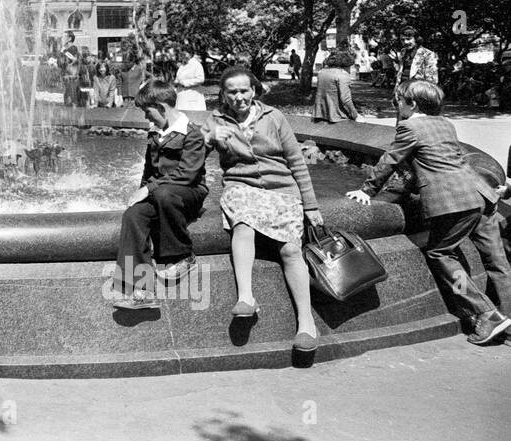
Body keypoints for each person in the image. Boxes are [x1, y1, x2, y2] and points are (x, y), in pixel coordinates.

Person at [347, 80, 510, 344]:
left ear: (411, 104)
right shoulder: (446, 123)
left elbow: (391, 160)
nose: (396, 106)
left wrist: (367, 190)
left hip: (455, 201)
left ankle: (486, 313)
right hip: (481, 194)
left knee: (440, 253)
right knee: (498, 262)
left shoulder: (410, 126)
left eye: (398, 101)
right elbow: (430, 160)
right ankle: (509, 324)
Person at [203, 66, 321, 351]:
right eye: (232, 92)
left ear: (254, 91)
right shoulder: (216, 120)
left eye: (244, 90)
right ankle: (246, 298)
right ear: (224, 95)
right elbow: (194, 158)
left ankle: (306, 323)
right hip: (241, 188)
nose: (239, 97)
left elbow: (296, 162)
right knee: (242, 223)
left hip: (282, 190)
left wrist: (311, 206)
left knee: (291, 250)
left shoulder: (274, 117)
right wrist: (208, 139)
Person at [110, 80, 209, 309]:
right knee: (134, 215)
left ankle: (184, 255)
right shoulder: (155, 134)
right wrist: (141, 190)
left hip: (189, 193)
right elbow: (149, 171)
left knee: (164, 193)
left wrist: (149, 188)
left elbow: (187, 174)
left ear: (162, 108)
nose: (147, 118)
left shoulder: (192, 133)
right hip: (162, 194)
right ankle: (142, 289)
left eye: (148, 112)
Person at [311, 49, 359, 123]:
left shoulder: (321, 72)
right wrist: (355, 115)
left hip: (320, 115)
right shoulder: (343, 75)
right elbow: (346, 99)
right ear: (346, 63)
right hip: (338, 116)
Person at [60, 33, 81, 107]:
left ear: (69, 38)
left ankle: (74, 103)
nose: (63, 38)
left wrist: (64, 52)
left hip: (72, 71)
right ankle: (67, 102)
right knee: (66, 88)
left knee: (72, 88)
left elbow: (74, 59)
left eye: (64, 37)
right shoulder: (64, 48)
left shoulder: (73, 48)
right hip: (65, 71)